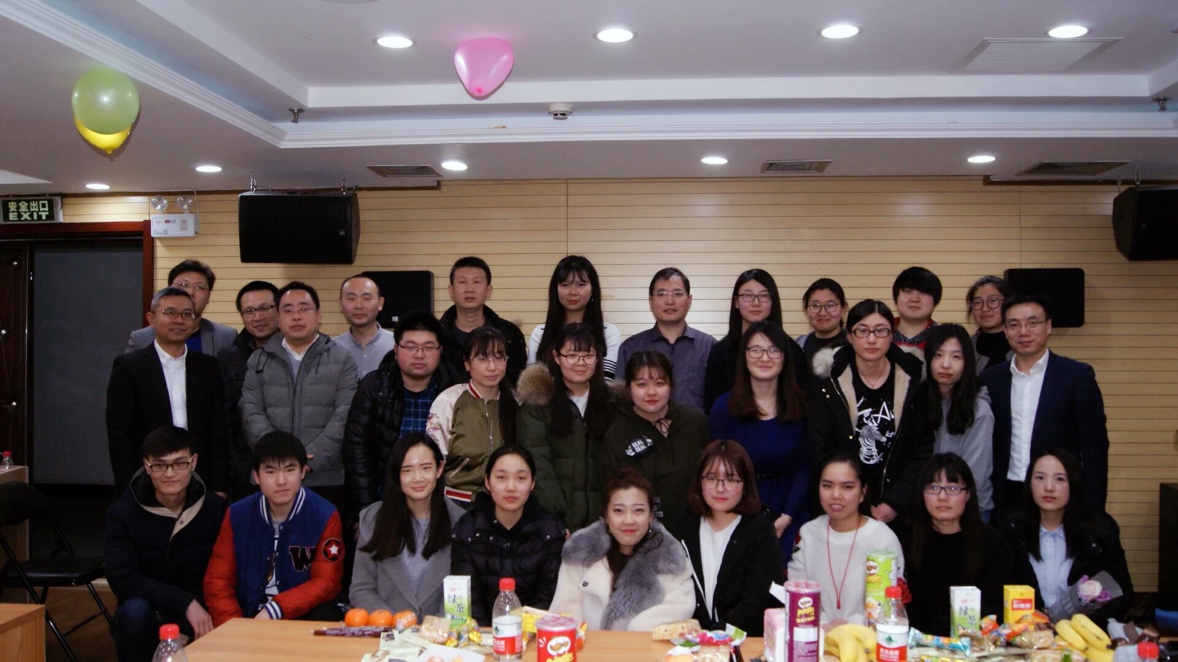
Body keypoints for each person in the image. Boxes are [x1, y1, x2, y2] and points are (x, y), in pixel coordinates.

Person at [105, 426, 226, 662]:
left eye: (179, 463)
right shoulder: (122, 513)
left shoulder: (214, 509)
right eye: (159, 465)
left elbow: (222, 573)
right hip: (150, 610)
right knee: (133, 612)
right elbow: (122, 579)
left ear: (193, 463)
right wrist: (185, 604)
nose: (169, 474)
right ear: (146, 466)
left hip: (202, 611)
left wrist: (185, 625)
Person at [980, 293, 1110, 513]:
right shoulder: (990, 379)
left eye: (1032, 323)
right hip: (1004, 496)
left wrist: (1093, 509)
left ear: (1048, 326)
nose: (1023, 332)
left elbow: (1094, 448)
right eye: (1014, 325)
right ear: (1005, 330)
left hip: (1059, 494)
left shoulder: (1076, 376)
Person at [808, 300, 931, 524]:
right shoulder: (829, 383)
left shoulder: (912, 380)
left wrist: (894, 503)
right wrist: (854, 501)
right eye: (862, 331)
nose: (872, 339)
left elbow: (921, 450)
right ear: (849, 335)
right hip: (842, 505)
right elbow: (820, 448)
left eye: (881, 331)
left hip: (900, 508)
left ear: (892, 335)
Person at [203, 431, 345, 625]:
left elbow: (327, 581)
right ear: (256, 476)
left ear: (303, 472)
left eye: (290, 470)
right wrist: (234, 626)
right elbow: (218, 581)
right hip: (248, 615)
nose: (281, 481)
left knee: (326, 613)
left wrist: (276, 609)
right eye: (270, 472)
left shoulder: (324, 514)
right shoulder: (237, 514)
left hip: (301, 614)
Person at [240, 281, 358, 507]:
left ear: (319, 315)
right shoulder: (259, 359)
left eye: (304, 309)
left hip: (324, 476)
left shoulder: (342, 359)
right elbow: (251, 411)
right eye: (288, 310)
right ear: (278, 317)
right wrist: (279, 458)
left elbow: (344, 415)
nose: (296, 316)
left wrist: (310, 458)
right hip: (271, 475)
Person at [106, 286, 229, 493]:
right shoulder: (129, 367)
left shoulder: (208, 366)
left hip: (200, 475)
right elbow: (120, 434)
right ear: (151, 319)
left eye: (187, 314)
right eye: (169, 312)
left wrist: (219, 485)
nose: (179, 320)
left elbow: (219, 430)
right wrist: (129, 487)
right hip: (148, 476)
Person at [708, 321, 809, 563]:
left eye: (774, 350)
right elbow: (717, 469)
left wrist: (787, 516)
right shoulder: (723, 407)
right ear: (744, 356)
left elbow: (806, 466)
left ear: (785, 357)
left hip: (792, 510)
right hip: (737, 509)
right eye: (755, 350)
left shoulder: (803, 406)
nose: (765, 357)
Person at [344, 311, 459, 518]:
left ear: (440, 351)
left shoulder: (454, 391)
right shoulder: (374, 387)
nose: (419, 354)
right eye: (410, 346)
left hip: (440, 501)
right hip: (384, 499)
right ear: (396, 350)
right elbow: (356, 451)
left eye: (428, 347)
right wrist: (366, 511)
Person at [550, 468, 695, 631]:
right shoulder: (579, 554)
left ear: (650, 516)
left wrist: (634, 633)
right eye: (618, 511)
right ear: (606, 515)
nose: (628, 520)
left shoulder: (671, 561)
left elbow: (679, 612)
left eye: (638, 510)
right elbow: (563, 618)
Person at [999, 449, 1133, 623]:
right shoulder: (1008, 528)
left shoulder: (1099, 530)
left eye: (1060, 479)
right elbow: (994, 590)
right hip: (1025, 629)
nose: (1049, 487)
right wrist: (1030, 617)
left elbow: (1122, 593)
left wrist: (1082, 623)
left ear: (1074, 484)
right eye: (1040, 477)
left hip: (1082, 631)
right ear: (1029, 484)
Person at [672, 440, 782, 635]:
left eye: (731, 480)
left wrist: (715, 636)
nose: (720, 488)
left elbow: (759, 600)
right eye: (711, 478)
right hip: (689, 639)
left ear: (745, 484)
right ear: (700, 481)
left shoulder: (760, 530)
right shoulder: (684, 525)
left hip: (743, 640)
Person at [350, 433, 466, 618]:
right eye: (407, 470)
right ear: (396, 475)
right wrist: (395, 622)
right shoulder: (373, 519)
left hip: (441, 632)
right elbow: (361, 589)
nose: (417, 478)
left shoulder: (461, 523)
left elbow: (462, 594)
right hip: (385, 629)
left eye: (425, 468)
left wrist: (433, 628)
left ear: (439, 469)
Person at [517, 322, 618, 531]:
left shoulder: (612, 403)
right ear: (556, 357)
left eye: (588, 355)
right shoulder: (538, 403)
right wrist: (556, 520)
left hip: (604, 524)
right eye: (572, 355)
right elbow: (538, 465)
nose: (580, 363)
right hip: (554, 524)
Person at [450, 445, 565, 625]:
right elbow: (466, 595)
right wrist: (487, 634)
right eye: (501, 478)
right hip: (480, 632)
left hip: (535, 630)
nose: (511, 487)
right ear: (487, 482)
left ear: (532, 483)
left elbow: (548, 594)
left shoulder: (550, 530)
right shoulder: (468, 528)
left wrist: (525, 630)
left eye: (521, 478)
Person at [787, 453, 904, 626]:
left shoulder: (883, 538)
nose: (836, 495)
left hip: (868, 635)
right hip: (815, 631)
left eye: (847, 487)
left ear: (863, 492)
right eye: (827, 486)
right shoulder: (807, 533)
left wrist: (849, 627)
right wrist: (826, 625)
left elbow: (890, 604)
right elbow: (797, 591)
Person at [901, 453, 1010, 636]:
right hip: (915, 644)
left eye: (952, 488)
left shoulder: (992, 543)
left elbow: (996, 606)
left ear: (968, 494)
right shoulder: (905, 540)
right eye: (934, 487)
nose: (942, 497)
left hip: (976, 643)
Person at [600, 352, 709, 525]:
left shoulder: (696, 423)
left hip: (696, 526)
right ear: (628, 388)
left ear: (671, 386)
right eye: (641, 384)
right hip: (638, 529)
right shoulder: (617, 434)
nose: (651, 392)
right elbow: (610, 493)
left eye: (659, 383)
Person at [427, 326, 520, 501]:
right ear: (467, 363)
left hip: (504, 501)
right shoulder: (449, 400)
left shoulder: (516, 403)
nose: (492, 367)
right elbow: (433, 459)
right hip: (457, 501)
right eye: (482, 358)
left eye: (499, 357)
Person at [916, 324, 995, 520]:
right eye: (938, 355)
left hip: (971, 509)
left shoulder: (979, 410)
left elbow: (975, 474)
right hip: (927, 507)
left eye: (956, 357)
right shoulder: (918, 399)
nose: (945, 364)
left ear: (967, 362)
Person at [704, 269, 808, 413]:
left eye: (764, 296)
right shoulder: (720, 352)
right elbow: (712, 406)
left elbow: (802, 402)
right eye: (748, 296)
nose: (756, 303)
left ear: (773, 301)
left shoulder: (791, 349)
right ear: (736, 302)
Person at [616, 267, 717, 410]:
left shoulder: (709, 347)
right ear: (651, 301)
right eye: (662, 294)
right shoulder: (630, 348)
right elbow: (621, 401)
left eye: (677, 293)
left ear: (689, 300)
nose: (670, 301)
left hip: (697, 425)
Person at [218, 280, 280, 501]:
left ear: (279, 309)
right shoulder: (228, 357)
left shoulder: (297, 351)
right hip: (244, 467)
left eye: (265, 308)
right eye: (250, 311)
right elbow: (225, 417)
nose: (258, 317)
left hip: (289, 460)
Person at [527, 255, 622, 379]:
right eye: (565, 284)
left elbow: (607, 381)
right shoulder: (540, 333)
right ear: (555, 289)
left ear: (592, 289)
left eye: (581, 284)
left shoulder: (609, 333)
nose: (573, 292)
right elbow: (534, 382)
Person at [439, 256, 527, 386]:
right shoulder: (437, 335)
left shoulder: (509, 334)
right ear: (451, 291)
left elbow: (517, 384)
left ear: (488, 291)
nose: (469, 289)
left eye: (477, 282)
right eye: (462, 282)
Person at [127, 259, 236, 356]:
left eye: (199, 287)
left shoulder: (226, 337)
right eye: (183, 285)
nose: (190, 292)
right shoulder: (141, 339)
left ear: (208, 297)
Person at [334, 275, 395, 379]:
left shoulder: (397, 345)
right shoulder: (331, 349)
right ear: (340, 304)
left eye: (366, 298)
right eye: (351, 299)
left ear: (380, 303)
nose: (359, 306)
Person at [797, 278, 849, 373]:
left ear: (844, 309)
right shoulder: (798, 347)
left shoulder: (856, 344)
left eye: (830, 305)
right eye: (815, 306)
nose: (823, 313)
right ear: (805, 310)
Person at [967, 275, 1012, 373]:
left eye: (993, 300)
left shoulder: (1022, 344)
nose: (985, 309)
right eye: (977, 302)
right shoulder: (964, 347)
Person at [891, 266, 942, 351]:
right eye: (907, 291)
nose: (914, 299)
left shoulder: (946, 340)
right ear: (896, 298)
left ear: (935, 301)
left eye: (923, 292)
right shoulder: (878, 338)